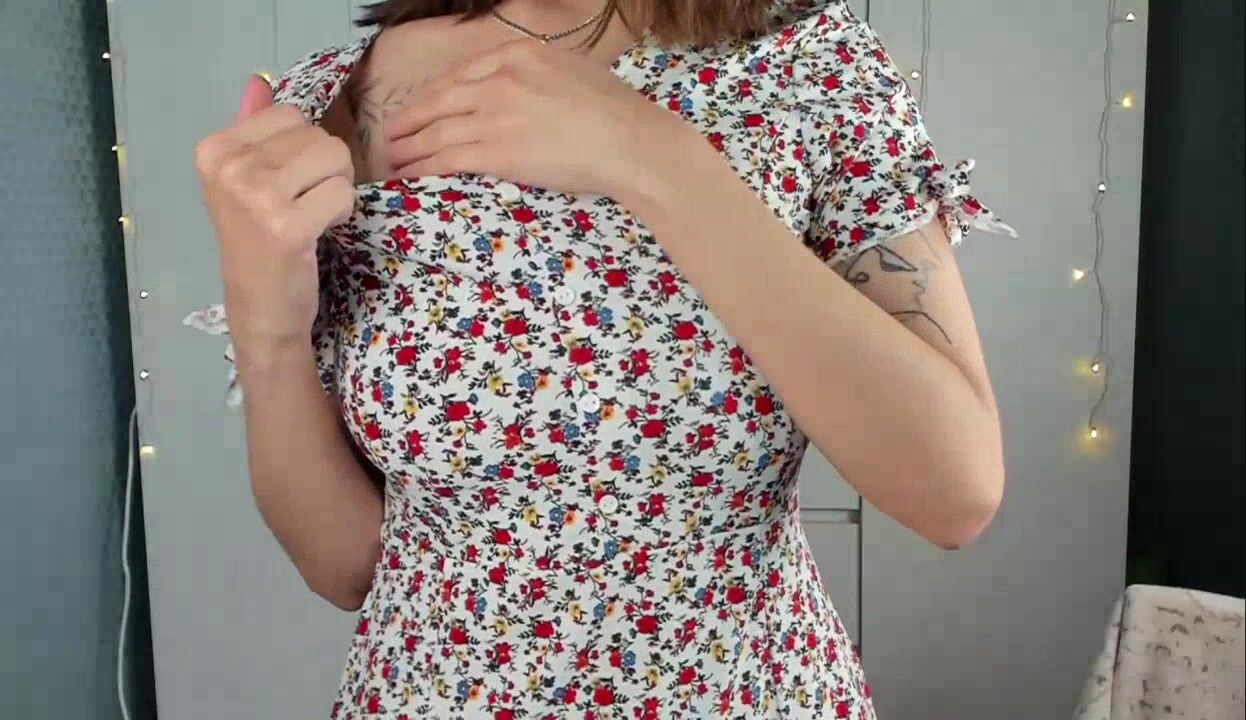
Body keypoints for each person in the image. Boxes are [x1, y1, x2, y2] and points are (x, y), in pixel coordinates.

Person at [188, 0, 1015, 716]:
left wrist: (655, 161)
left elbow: (953, 493)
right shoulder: (325, 104)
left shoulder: (810, 64)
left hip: (746, 693)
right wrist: (266, 328)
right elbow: (344, 568)